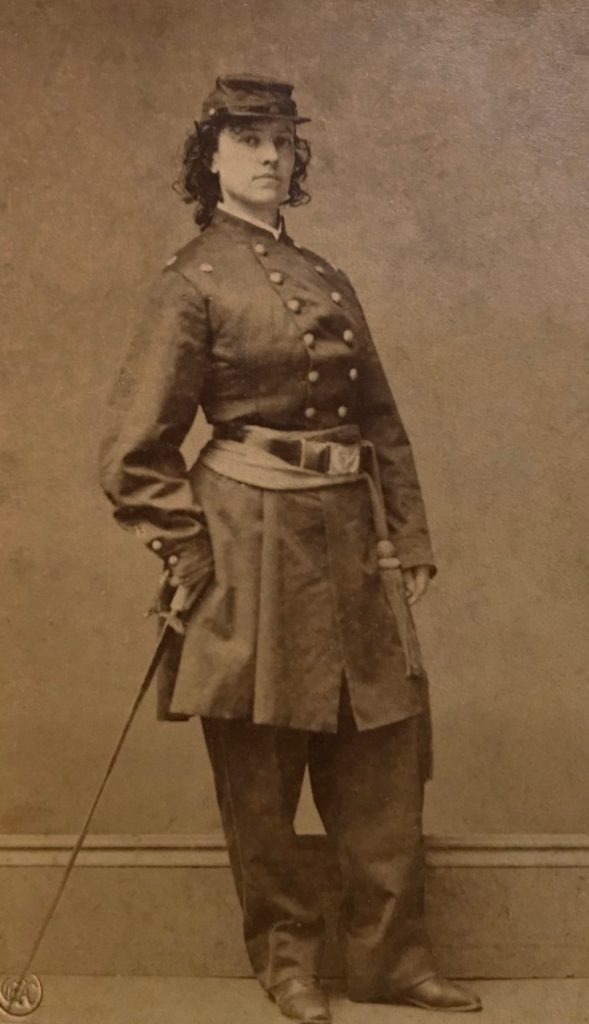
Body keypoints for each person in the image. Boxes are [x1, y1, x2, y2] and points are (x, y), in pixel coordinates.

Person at [99, 75, 481, 1022]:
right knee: (261, 768)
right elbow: (134, 451)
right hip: (247, 542)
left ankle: (390, 960)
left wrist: (407, 530)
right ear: (211, 157)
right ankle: (287, 964)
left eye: (281, 141)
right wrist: (189, 553)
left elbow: (379, 416)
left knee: (383, 750)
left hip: (351, 539)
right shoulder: (190, 280)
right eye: (247, 139)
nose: (270, 156)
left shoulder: (330, 279)